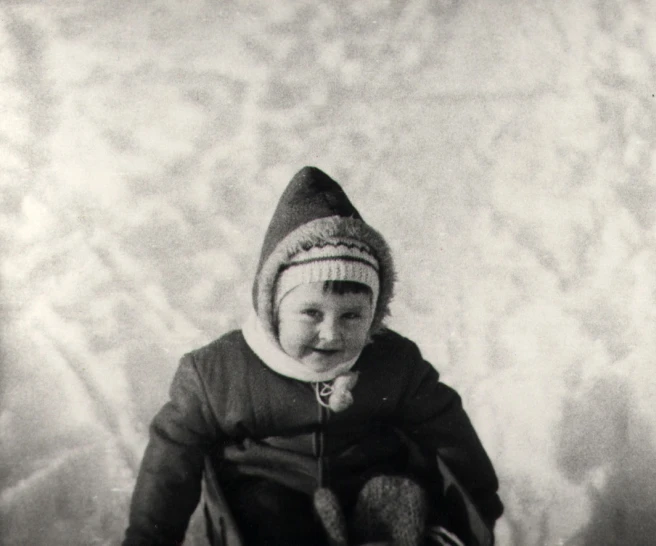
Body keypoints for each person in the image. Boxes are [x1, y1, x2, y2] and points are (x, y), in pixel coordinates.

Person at [123, 167, 503, 546]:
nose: (331, 334)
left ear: (375, 313)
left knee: (398, 493)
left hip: (366, 481)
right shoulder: (218, 373)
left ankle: (385, 533)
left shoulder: (394, 361)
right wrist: (149, 538)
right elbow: (171, 460)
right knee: (264, 512)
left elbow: (448, 429)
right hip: (271, 489)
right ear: (272, 307)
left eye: (352, 316)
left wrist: (479, 507)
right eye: (311, 313)